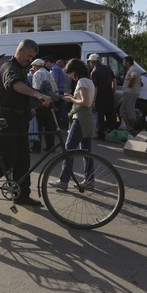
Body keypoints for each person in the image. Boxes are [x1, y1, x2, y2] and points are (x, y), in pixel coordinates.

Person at [0, 39, 52, 206]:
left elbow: (22, 94)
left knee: (23, 160)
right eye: (29, 56)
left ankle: (22, 195)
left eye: (32, 57)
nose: (30, 60)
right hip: (6, 119)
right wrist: (37, 95)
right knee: (8, 160)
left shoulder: (22, 68)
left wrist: (37, 103)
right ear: (20, 52)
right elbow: (15, 85)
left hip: (19, 118)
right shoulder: (10, 68)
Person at [49, 58, 96, 190]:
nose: (70, 76)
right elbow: (89, 102)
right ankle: (89, 180)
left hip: (80, 117)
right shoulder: (90, 81)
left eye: (70, 73)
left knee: (69, 149)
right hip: (87, 117)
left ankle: (64, 181)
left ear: (75, 71)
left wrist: (71, 99)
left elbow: (85, 102)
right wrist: (74, 98)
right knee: (86, 151)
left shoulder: (82, 81)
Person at [30, 58, 58, 153]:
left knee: (38, 126)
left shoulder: (37, 74)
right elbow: (54, 88)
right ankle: (51, 147)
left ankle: (36, 148)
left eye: (33, 66)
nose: (32, 68)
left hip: (40, 103)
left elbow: (36, 90)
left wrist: (33, 106)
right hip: (50, 102)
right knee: (49, 126)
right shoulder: (49, 73)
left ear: (36, 66)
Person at [88, 53, 116, 140]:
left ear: (92, 62)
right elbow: (114, 80)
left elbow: (95, 88)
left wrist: (93, 100)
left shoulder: (94, 72)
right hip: (109, 94)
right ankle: (113, 132)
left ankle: (101, 135)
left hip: (100, 96)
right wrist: (113, 91)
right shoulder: (107, 68)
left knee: (100, 115)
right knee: (110, 114)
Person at [119, 56, 141, 132]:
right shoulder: (132, 69)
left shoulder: (133, 69)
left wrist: (130, 85)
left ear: (128, 62)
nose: (123, 63)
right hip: (129, 93)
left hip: (130, 93)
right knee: (123, 110)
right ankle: (129, 127)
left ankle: (131, 128)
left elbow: (134, 76)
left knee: (129, 110)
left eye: (124, 62)